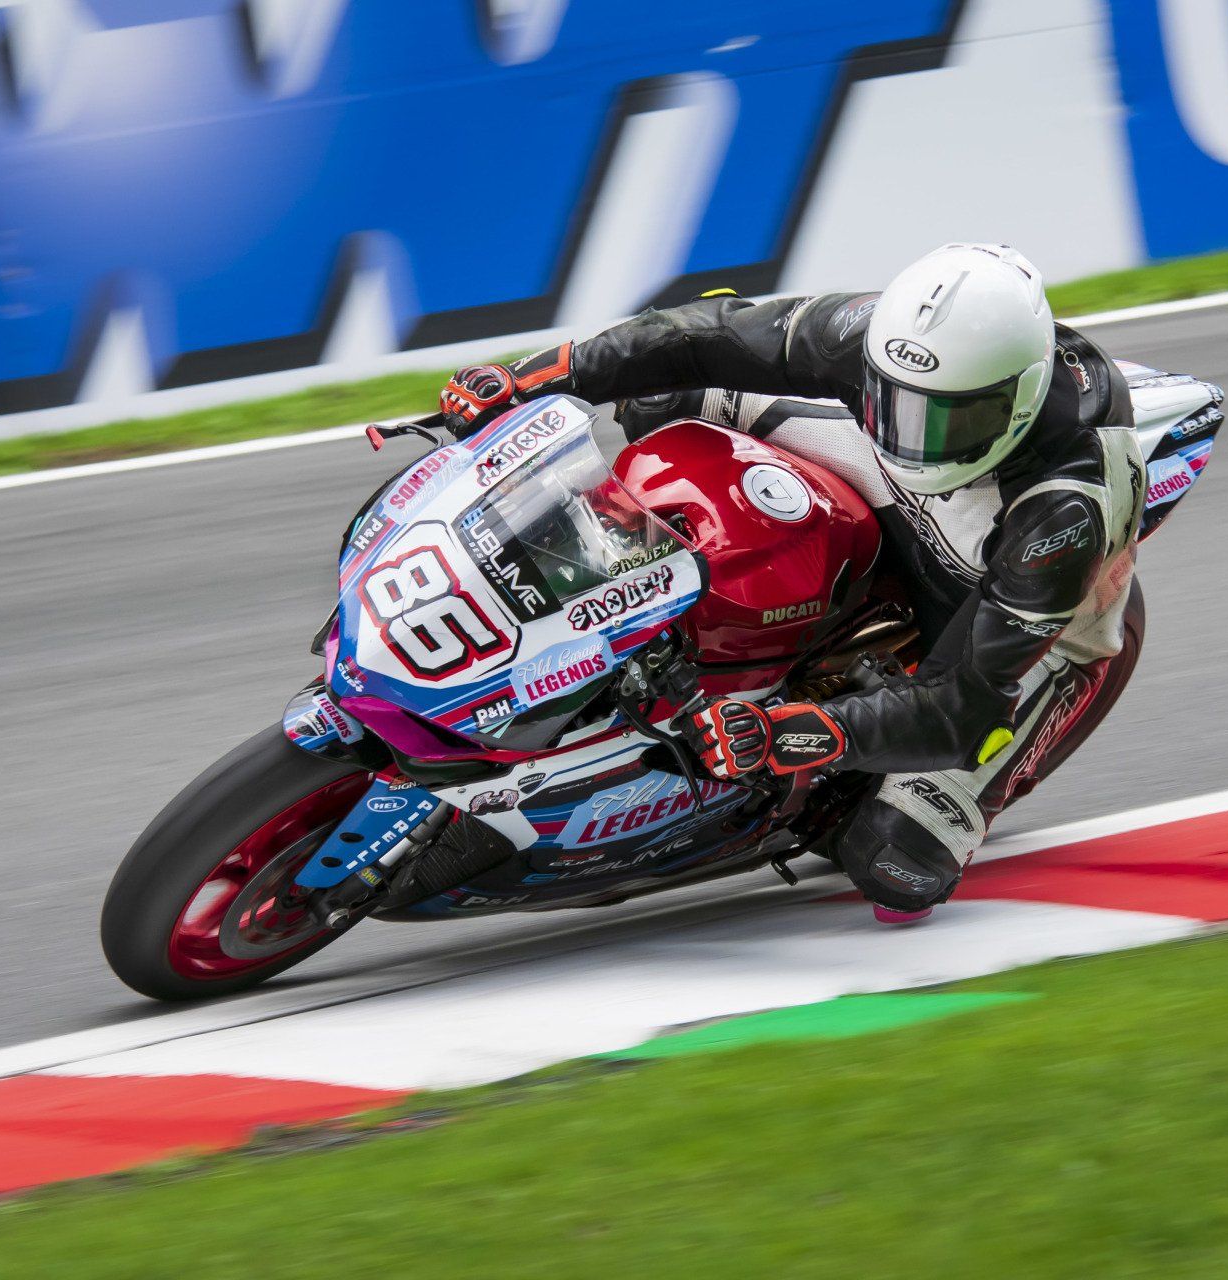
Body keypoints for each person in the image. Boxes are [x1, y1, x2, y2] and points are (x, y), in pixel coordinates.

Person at [437, 244, 1150, 923]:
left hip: (995, 590)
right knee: (665, 392)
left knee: (895, 861)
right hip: (883, 477)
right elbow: (708, 333)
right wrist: (544, 373)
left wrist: (794, 733)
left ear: (1018, 401)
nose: (915, 435)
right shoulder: (878, 337)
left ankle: (839, 786)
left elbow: (959, 708)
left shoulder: (1064, 511)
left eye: (946, 417)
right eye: (896, 400)